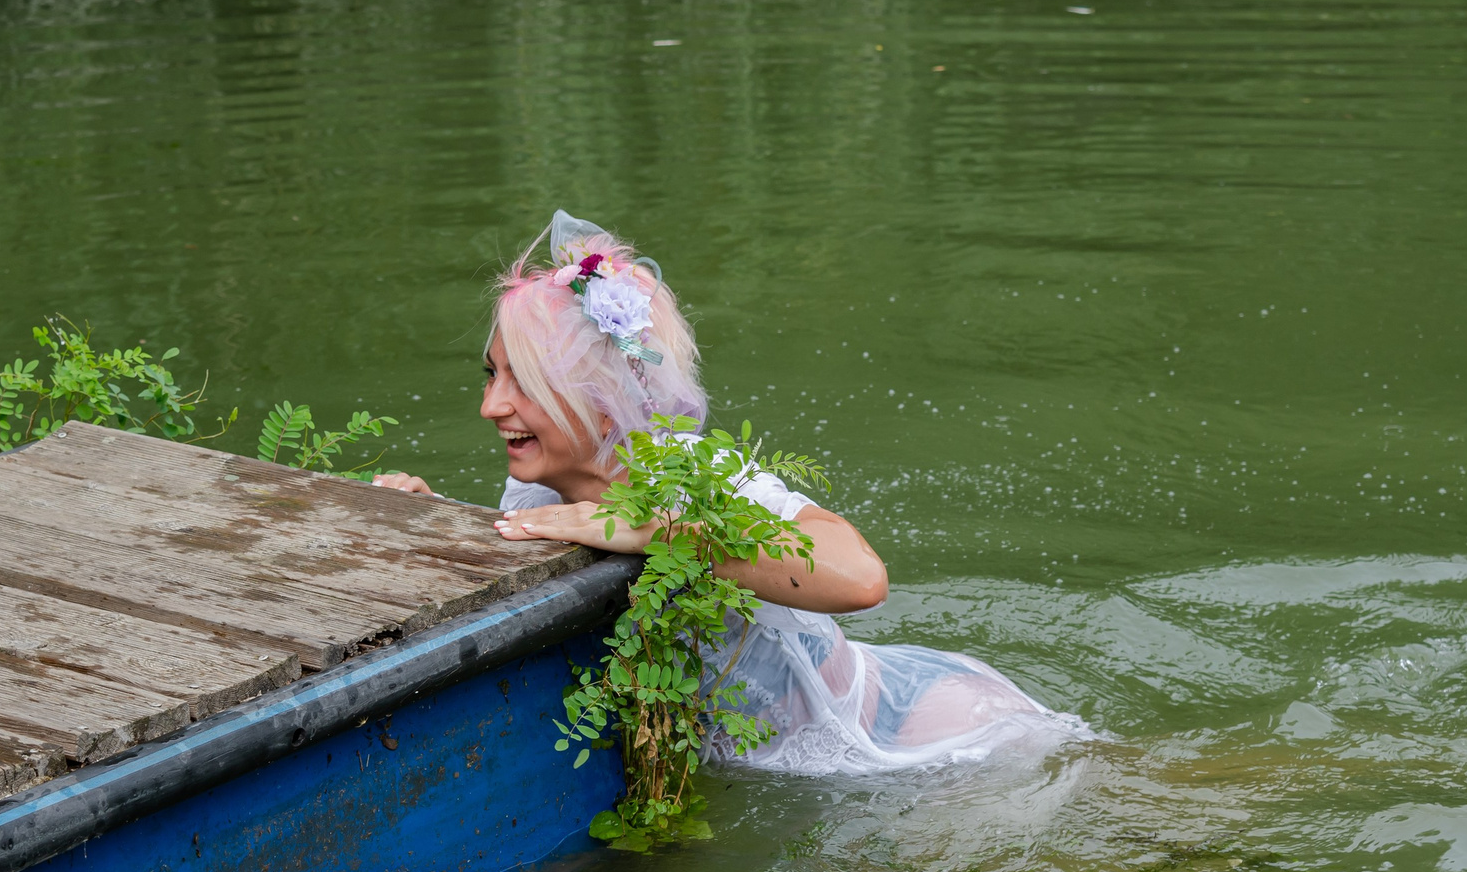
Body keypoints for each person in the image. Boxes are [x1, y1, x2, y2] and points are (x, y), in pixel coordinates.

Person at [376, 212, 1083, 775]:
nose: (491, 406)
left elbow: (863, 576)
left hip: (910, 737)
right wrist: (434, 520)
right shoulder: (533, 496)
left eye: (521, 383)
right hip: (778, 763)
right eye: (490, 375)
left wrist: (658, 531)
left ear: (599, 400)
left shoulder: (695, 477)